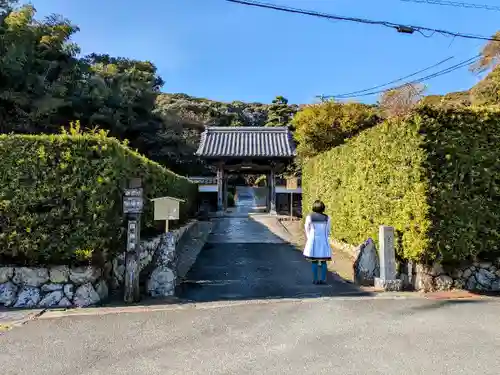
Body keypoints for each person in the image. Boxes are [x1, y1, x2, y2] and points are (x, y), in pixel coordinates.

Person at [303, 200, 332, 284]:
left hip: (313, 240)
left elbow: (306, 228)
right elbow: (328, 230)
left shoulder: (309, 217)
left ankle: (315, 279)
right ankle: (323, 279)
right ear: (323, 208)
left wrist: (309, 237)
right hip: (323, 240)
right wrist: (326, 237)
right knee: (323, 261)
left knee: (314, 261)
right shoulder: (327, 218)